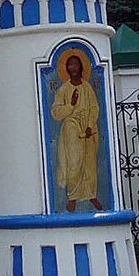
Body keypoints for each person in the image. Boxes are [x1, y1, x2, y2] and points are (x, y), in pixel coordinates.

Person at [50, 53, 105, 212]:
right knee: (74, 162)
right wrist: (71, 105)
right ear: (66, 68)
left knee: (90, 163)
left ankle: (91, 194)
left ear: (81, 67)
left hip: (88, 127)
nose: (73, 68)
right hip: (71, 127)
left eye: (76, 64)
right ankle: (72, 197)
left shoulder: (87, 87)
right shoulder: (64, 89)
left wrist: (89, 125)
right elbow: (56, 113)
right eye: (70, 65)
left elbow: (94, 108)